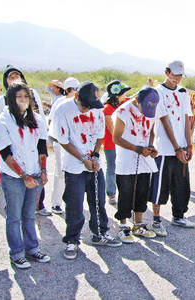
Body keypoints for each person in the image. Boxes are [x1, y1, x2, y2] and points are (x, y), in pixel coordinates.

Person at [51, 81, 122, 260]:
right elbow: (63, 140)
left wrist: (96, 156)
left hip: (93, 164)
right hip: (74, 166)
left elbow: (99, 136)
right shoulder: (63, 110)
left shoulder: (96, 109)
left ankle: (100, 233)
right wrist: (83, 159)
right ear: (76, 97)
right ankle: (72, 240)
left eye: (92, 106)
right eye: (85, 105)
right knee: (74, 204)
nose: (88, 109)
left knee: (97, 200)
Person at [0, 82, 50, 269]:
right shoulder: (2, 121)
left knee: (30, 215)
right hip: (14, 177)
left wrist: (43, 171)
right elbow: (6, 154)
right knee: (14, 216)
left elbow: (42, 147)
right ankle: (17, 253)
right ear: (11, 99)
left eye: (26, 97)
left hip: (34, 174)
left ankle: (32, 248)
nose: (23, 100)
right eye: (19, 97)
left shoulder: (38, 119)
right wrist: (24, 176)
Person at [0, 65, 51, 216]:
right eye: (10, 77)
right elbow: (0, 124)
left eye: (16, 76)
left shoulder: (32, 95)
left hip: (32, 148)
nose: (14, 79)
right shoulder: (2, 100)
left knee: (31, 203)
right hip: (13, 153)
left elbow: (39, 118)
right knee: (15, 207)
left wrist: (42, 141)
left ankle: (40, 205)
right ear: (6, 81)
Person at [149, 60, 195, 237]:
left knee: (182, 184)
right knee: (160, 185)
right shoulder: (158, 92)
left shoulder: (183, 93)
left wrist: (188, 144)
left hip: (181, 147)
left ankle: (179, 215)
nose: (177, 79)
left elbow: (186, 119)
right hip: (165, 148)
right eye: (174, 75)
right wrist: (176, 147)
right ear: (167, 72)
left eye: (180, 75)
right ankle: (156, 220)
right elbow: (165, 120)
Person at [113, 86, 160, 243]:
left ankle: (138, 224)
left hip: (145, 158)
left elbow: (151, 131)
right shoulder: (123, 111)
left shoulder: (152, 108)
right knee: (126, 192)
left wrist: (151, 146)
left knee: (142, 191)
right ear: (137, 100)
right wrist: (137, 149)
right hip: (127, 158)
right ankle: (123, 226)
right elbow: (116, 138)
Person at [47, 77, 80, 214]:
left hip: (74, 144)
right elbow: (51, 123)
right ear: (71, 90)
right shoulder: (60, 102)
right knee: (60, 172)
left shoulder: (77, 103)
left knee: (73, 172)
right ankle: (56, 202)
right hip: (61, 143)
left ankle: (71, 201)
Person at [101, 80, 131, 205]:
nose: (126, 96)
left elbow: (133, 98)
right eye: (123, 94)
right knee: (112, 168)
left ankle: (125, 192)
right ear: (116, 96)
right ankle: (111, 193)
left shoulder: (121, 104)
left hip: (122, 143)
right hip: (111, 144)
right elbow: (112, 130)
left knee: (123, 168)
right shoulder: (107, 109)